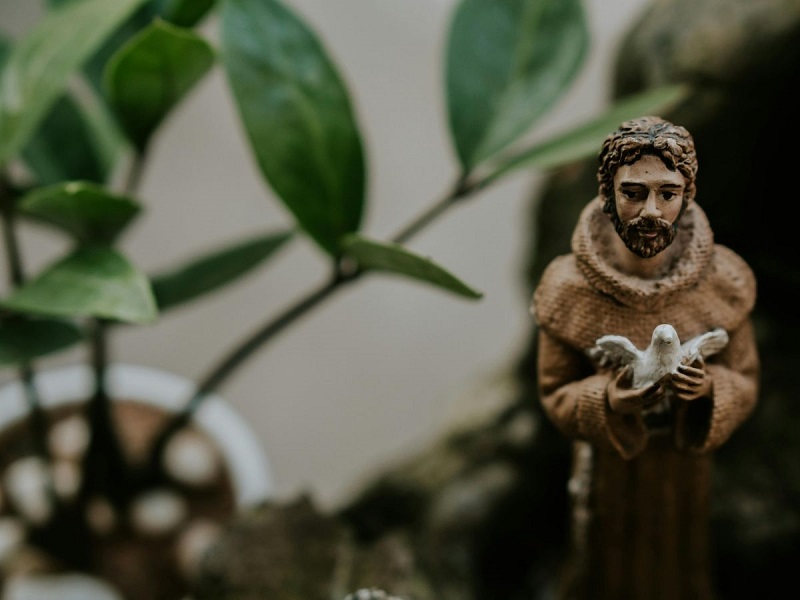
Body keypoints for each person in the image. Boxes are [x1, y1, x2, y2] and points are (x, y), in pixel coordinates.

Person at [530, 116, 759, 600]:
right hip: (610, 471)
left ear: (687, 194)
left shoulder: (724, 281)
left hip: (682, 470)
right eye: (633, 193)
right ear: (608, 192)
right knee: (606, 567)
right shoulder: (568, 289)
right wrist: (607, 399)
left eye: (668, 193)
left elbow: (745, 378)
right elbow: (554, 394)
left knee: (680, 568)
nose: (650, 210)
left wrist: (710, 390)